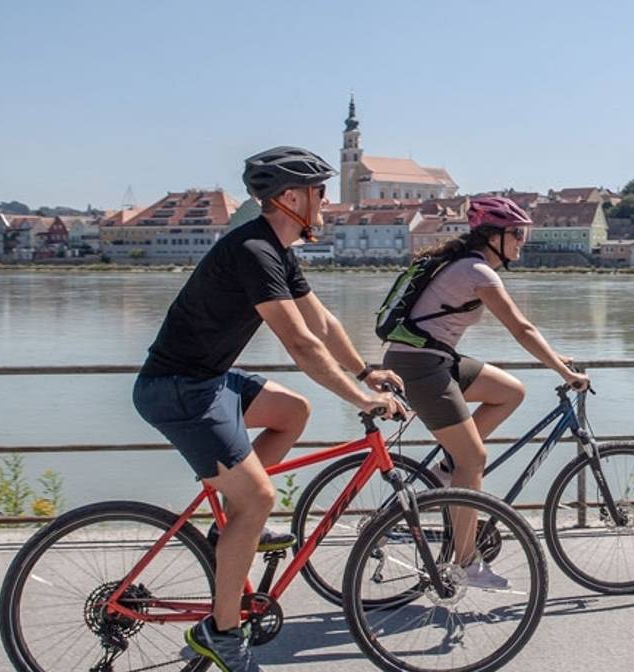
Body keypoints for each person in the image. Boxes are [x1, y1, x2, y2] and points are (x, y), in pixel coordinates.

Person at [132, 146, 405, 672]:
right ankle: (223, 632)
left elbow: (321, 322)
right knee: (258, 497)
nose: (326, 200)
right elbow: (301, 346)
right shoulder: (253, 251)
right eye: (320, 192)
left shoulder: (278, 251)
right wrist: (363, 400)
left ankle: (231, 528)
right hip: (178, 389)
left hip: (206, 381)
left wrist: (364, 371)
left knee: (292, 412)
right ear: (291, 198)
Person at [380, 195, 590, 584]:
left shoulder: (466, 265)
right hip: (419, 367)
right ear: (495, 236)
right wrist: (564, 371)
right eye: (518, 234)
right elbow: (521, 328)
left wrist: (555, 357)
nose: (523, 242)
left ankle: (446, 471)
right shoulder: (477, 272)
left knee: (509, 391)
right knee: (474, 459)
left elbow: (521, 331)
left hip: (436, 358)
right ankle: (464, 561)